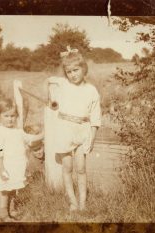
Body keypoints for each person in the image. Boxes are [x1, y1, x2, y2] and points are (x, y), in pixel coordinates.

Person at [46, 46, 101, 212]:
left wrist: (92, 138)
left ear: (84, 69)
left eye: (76, 70)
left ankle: (83, 203)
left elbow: (95, 118)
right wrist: (51, 100)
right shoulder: (62, 84)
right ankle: (72, 202)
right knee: (67, 168)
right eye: (69, 71)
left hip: (82, 130)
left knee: (81, 169)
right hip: (64, 130)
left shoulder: (91, 90)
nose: (73, 74)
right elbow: (48, 80)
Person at [0, 98, 30, 221]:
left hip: (16, 167)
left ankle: (11, 210)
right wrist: (2, 170)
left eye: (13, 116)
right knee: (4, 192)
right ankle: (3, 215)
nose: (10, 119)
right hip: (6, 167)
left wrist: (43, 135)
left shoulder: (18, 131)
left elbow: (29, 139)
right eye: (6, 116)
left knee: (13, 190)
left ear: (17, 116)